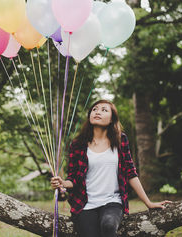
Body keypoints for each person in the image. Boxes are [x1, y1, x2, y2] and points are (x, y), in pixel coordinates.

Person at [51, 99, 171, 237]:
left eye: (104, 110)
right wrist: (62, 183)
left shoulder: (121, 140)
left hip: (112, 201)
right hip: (84, 204)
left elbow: (131, 173)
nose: (97, 112)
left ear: (111, 119)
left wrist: (148, 203)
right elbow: (73, 178)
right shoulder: (78, 144)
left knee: (108, 225)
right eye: (95, 109)